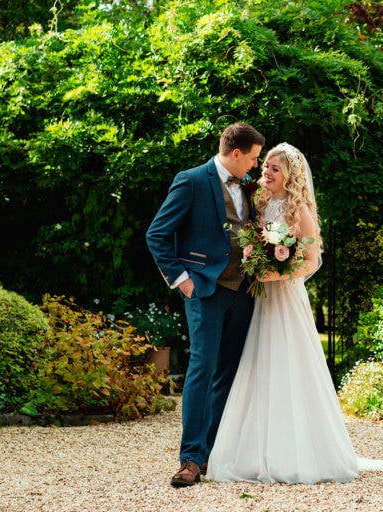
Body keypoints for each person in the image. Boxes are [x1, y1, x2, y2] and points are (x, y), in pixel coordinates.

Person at [206, 142, 359, 483]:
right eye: (266, 167)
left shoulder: (298, 209)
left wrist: (276, 273)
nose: (267, 172)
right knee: (259, 365)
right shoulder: (260, 206)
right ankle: (254, 450)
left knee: (289, 365)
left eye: (275, 168)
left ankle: (298, 451)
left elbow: (311, 260)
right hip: (262, 300)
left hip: (286, 299)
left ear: (290, 175)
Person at [146, 122, 265, 487]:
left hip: (244, 292)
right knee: (201, 367)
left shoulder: (248, 186)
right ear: (235, 154)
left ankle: (215, 452)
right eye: (253, 158)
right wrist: (183, 282)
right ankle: (191, 458)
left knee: (228, 371)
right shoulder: (192, 180)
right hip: (205, 291)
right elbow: (157, 234)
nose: (255, 167)